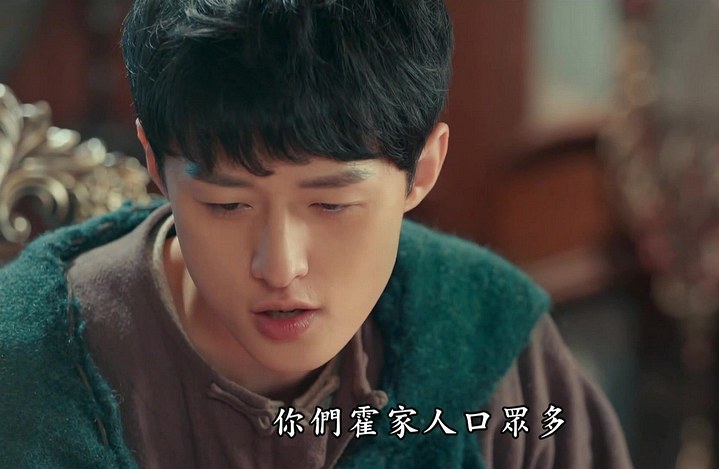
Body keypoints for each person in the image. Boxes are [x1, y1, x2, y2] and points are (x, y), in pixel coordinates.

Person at [0, 0, 632, 467]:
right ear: (154, 164)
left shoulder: (489, 340)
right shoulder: (31, 375)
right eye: (226, 204)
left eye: (331, 204)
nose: (280, 267)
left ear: (422, 170)